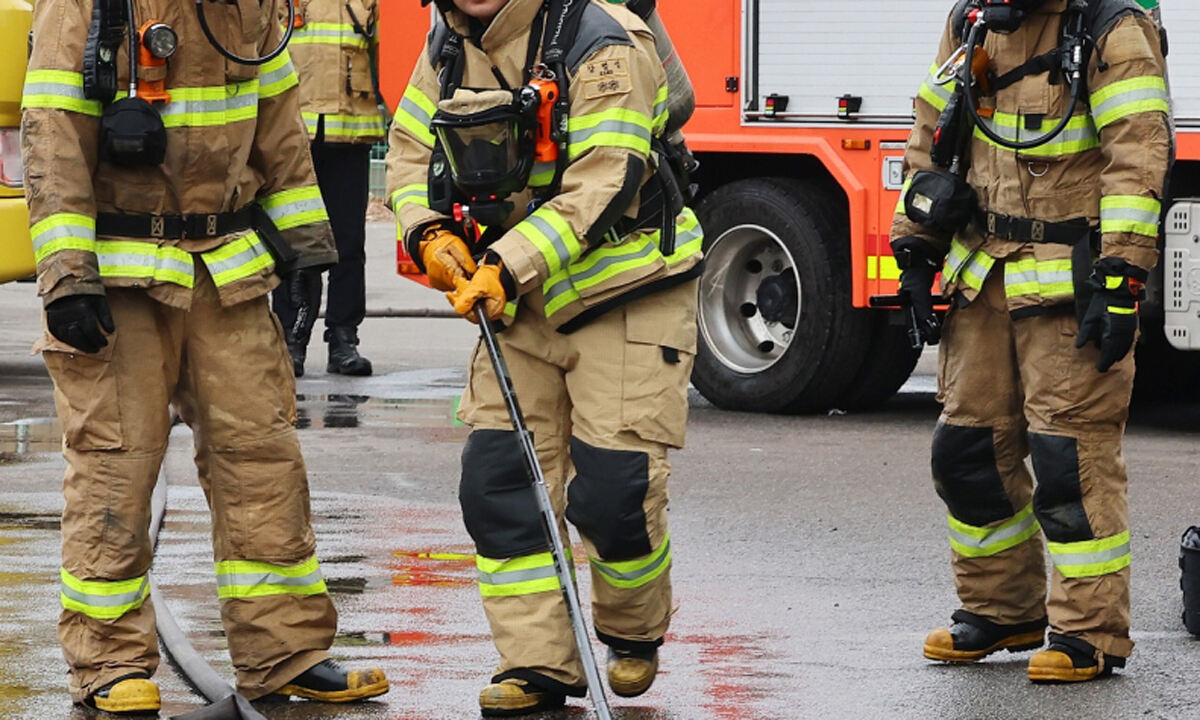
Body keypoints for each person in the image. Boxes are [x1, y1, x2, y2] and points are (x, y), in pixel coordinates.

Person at [22, 0, 389, 712]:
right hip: (121, 273)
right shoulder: (88, 5)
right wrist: (68, 275)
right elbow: (52, 137)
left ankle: (286, 652)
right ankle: (108, 662)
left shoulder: (248, 10)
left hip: (228, 271)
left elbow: (280, 124)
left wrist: (305, 240)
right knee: (113, 465)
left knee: (263, 456)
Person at [386, 0, 704, 713]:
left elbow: (606, 179)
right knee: (498, 485)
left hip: (625, 287)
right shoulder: (447, 42)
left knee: (614, 495)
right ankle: (538, 666)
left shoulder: (603, 39)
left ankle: (631, 632)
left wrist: (504, 263)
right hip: (517, 300)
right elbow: (407, 153)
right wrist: (429, 233)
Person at [891, 0, 1170, 683]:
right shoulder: (973, 22)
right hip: (982, 275)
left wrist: (1120, 279)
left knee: (1068, 460)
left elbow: (1138, 154)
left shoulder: (1109, 25)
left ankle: (1088, 633)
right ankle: (999, 609)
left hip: (1069, 286)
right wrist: (917, 248)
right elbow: (934, 129)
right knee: (967, 452)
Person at [271, 0, 384, 377]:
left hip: (350, 133)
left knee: (349, 244)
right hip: (294, 136)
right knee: (296, 244)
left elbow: (384, 59)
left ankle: (343, 339)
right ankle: (292, 338)